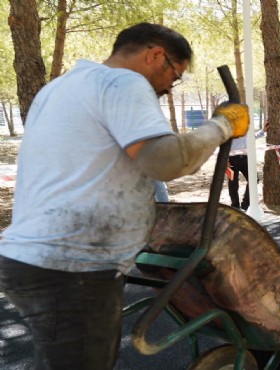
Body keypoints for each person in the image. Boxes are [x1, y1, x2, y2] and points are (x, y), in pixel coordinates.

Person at [0, 23, 248, 370]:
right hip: (72, 265)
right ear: (155, 55)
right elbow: (164, 160)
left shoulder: (61, 87)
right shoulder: (124, 82)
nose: (168, 89)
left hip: (37, 258)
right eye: (175, 77)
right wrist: (222, 126)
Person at [228, 119, 269, 210]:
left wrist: (263, 131)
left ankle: (245, 204)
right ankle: (235, 205)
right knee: (233, 182)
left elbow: (252, 137)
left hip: (246, 158)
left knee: (254, 179)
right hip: (232, 159)